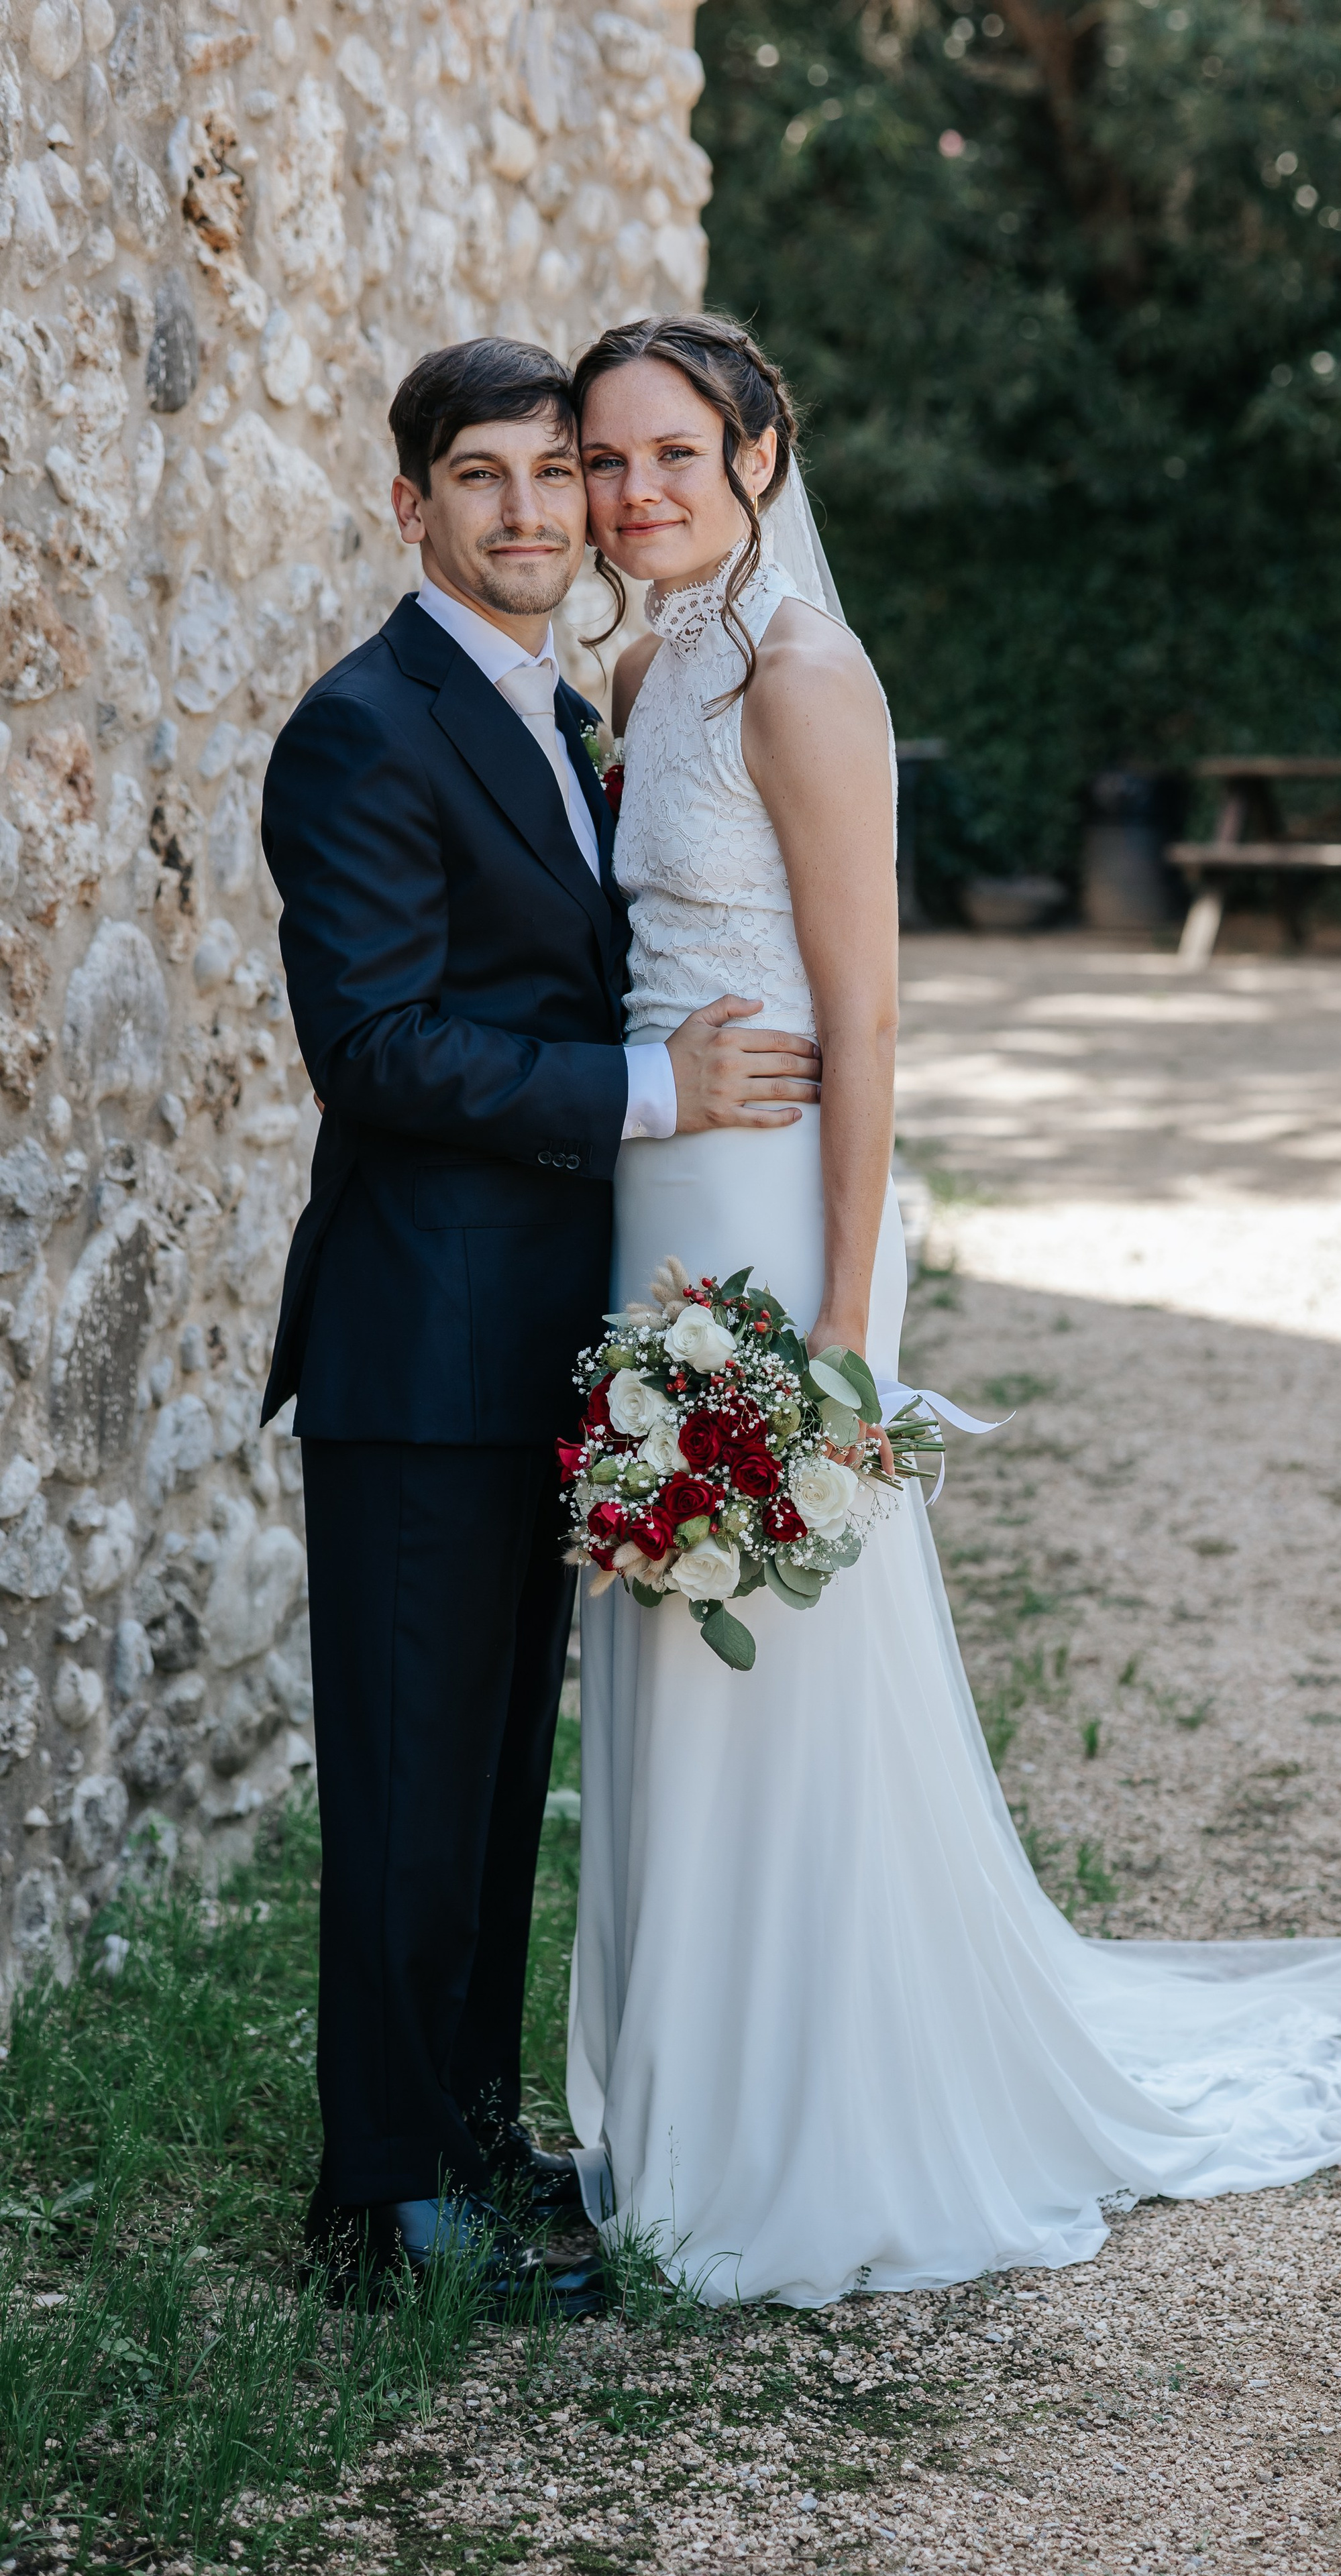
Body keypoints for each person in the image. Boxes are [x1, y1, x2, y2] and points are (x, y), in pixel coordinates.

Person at [566, 313, 1341, 2308]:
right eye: (602, 459)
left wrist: (840, 1340)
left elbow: (870, 1017)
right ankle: (676, 2103)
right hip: (653, 1191)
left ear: (763, 453)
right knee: (667, 1655)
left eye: (672, 452)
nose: (629, 493)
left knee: (781, 1659)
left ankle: (816, 2117)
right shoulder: (645, 657)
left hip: (772, 1227)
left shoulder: (803, 671)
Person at [258, 337, 821, 2311]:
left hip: (536, 1341)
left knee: (497, 1770)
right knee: (411, 1777)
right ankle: (385, 2204)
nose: (527, 510)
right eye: (479, 477)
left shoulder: (558, 708)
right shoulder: (365, 724)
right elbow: (381, 1047)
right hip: (419, 1345)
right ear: (408, 502)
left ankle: (478, 2138)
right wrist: (660, 1091)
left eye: (551, 472)